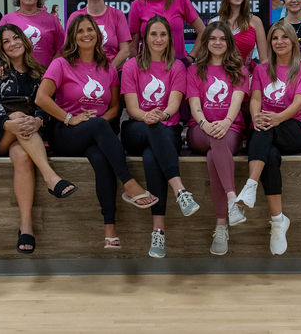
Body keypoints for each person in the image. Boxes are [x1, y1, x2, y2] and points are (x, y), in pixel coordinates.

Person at [36, 14, 157, 249]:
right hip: (65, 132)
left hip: (95, 132)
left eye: (90, 30)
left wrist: (97, 123)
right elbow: (41, 98)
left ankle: (110, 229)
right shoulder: (61, 63)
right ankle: (129, 183)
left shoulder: (108, 68)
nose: (86, 34)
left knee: (101, 159)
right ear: (73, 36)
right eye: (80, 31)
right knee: (99, 128)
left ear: (98, 35)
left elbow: (114, 108)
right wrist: (71, 118)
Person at [0, 24, 77, 254]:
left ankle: (26, 227)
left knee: (22, 156)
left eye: (16, 38)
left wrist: (39, 121)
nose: (12, 43)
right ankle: (51, 177)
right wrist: (8, 122)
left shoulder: (39, 72)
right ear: (0, 47)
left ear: (25, 41)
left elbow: (47, 106)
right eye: (6, 41)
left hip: (23, 136)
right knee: (17, 115)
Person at [121, 16, 201, 258]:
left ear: (170, 39)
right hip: (136, 129)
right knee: (153, 129)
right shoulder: (132, 65)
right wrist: (149, 116)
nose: (158, 39)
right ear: (145, 38)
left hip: (167, 131)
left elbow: (175, 103)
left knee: (150, 157)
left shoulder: (177, 66)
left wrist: (162, 114)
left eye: (163, 35)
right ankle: (180, 190)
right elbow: (133, 109)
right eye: (153, 34)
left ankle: (158, 232)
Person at [236, 21, 301, 255]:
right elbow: (256, 99)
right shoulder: (262, 69)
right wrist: (256, 116)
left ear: (292, 42)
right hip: (266, 129)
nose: (279, 42)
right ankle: (278, 221)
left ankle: (251, 184)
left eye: (284, 37)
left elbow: (300, 103)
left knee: (264, 128)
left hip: (293, 129)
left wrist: (276, 118)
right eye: (275, 38)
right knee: (269, 154)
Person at [186, 22, 249, 256]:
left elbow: (237, 101)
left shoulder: (239, 70)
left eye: (223, 38)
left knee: (216, 152)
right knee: (215, 141)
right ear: (205, 42)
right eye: (212, 38)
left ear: (229, 43)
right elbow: (194, 104)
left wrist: (225, 122)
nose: (218, 42)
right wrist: (205, 124)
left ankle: (221, 224)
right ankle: (233, 200)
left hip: (229, 129)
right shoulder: (194, 70)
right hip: (199, 130)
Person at [128, 0, 205, 63]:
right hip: (148, 65)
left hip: (178, 64)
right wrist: (135, 66)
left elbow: (203, 31)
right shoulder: (137, 5)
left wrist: (192, 57)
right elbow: (133, 43)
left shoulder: (181, 0)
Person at [0, 0, 63, 69]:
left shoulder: (52, 20)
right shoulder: (7, 19)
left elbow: (62, 49)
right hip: (14, 76)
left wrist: (51, 71)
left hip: (45, 76)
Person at [68, 0, 132, 69]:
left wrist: (109, 72)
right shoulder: (75, 17)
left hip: (113, 73)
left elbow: (125, 50)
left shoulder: (117, 15)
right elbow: (69, 49)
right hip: (83, 73)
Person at [213, 0, 268, 66]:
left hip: (247, 77)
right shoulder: (214, 23)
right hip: (221, 78)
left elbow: (264, 60)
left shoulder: (255, 21)